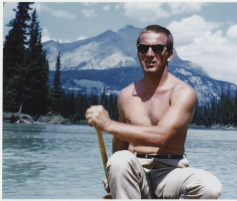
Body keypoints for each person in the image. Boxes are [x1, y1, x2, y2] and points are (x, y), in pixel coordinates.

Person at [86, 25, 222, 199]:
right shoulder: (126, 95)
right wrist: (112, 174)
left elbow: (160, 136)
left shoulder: (183, 92)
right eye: (143, 48)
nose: (149, 54)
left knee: (209, 186)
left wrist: (108, 124)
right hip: (135, 169)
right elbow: (119, 141)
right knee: (119, 161)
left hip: (170, 171)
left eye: (157, 48)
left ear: (169, 55)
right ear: (138, 53)